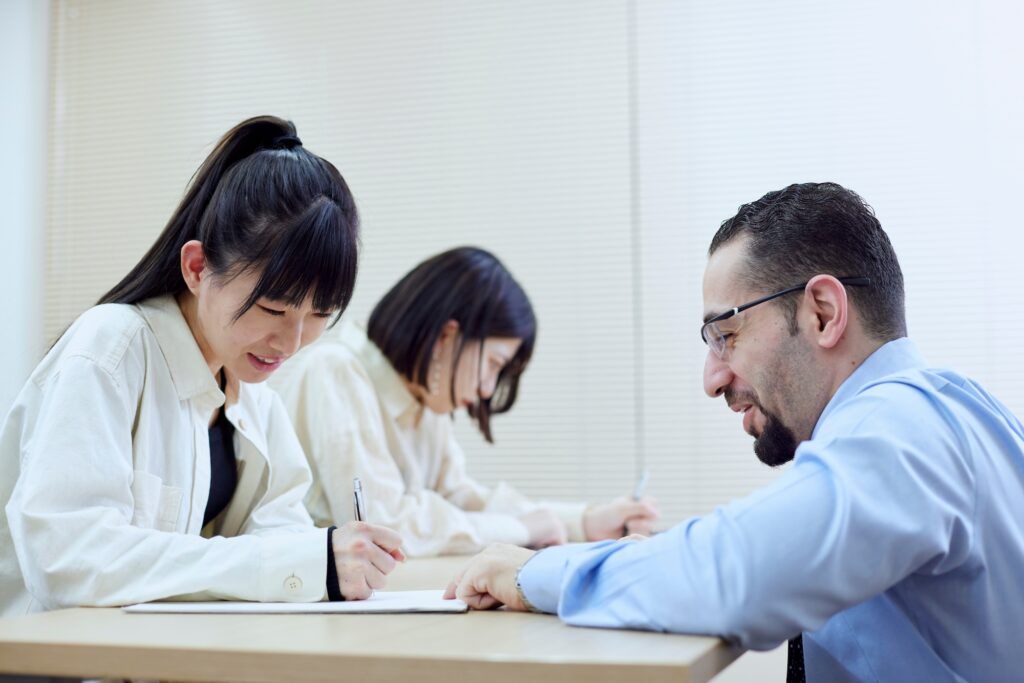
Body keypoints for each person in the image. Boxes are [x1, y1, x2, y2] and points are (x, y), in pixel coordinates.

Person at [445, 183, 1024, 682]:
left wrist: (531, 574)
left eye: (727, 333)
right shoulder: (962, 413)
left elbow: (738, 571)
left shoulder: (901, 430)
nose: (712, 377)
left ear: (822, 313)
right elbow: (761, 545)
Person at [0, 116, 404, 617]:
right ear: (196, 268)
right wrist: (292, 563)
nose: (292, 342)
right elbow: (67, 560)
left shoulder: (258, 406)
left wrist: (319, 562)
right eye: (273, 309)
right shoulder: (112, 348)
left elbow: (283, 542)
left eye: (320, 315)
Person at [273, 247, 659, 557]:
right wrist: (522, 529)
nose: (489, 389)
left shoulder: (423, 397)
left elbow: (462, 499)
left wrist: (584, 521)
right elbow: (384, 524)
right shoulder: (336, 371)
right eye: (492, 364)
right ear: (448, 337)